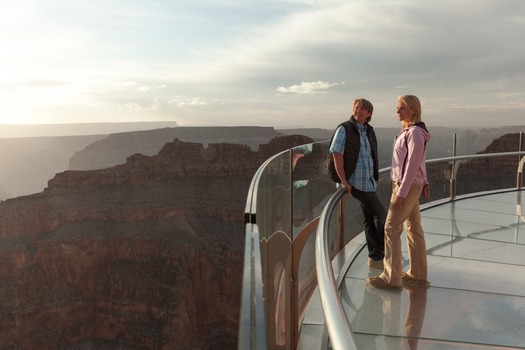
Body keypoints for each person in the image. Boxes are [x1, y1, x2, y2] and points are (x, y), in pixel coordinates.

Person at [367, 95, 431, 290]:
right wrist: (425, 181)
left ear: (413, 110)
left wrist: (401, 193)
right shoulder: (411, 131)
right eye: (397, 108)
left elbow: (412, 165)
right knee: (414, 228)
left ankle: (391, 278)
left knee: (391, 228)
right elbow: (419, 161)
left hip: (406, 187)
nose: (398, 112)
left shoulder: (415, 133)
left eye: (402, 108)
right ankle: (417, 275)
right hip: (412, 185)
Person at [329, 98, 386, 268]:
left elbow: (371, 155)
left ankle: (375, 258)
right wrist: (343, 181)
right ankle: (382, 252)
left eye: (363, 109)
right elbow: (336, 154)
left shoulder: (368, 130)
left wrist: (374, 176)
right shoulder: (344, 128)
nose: (358, 110)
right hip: (355, 183)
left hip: (368, 181)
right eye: (356, 107)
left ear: (369, 113)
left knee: (369, 219)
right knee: (382, 216)